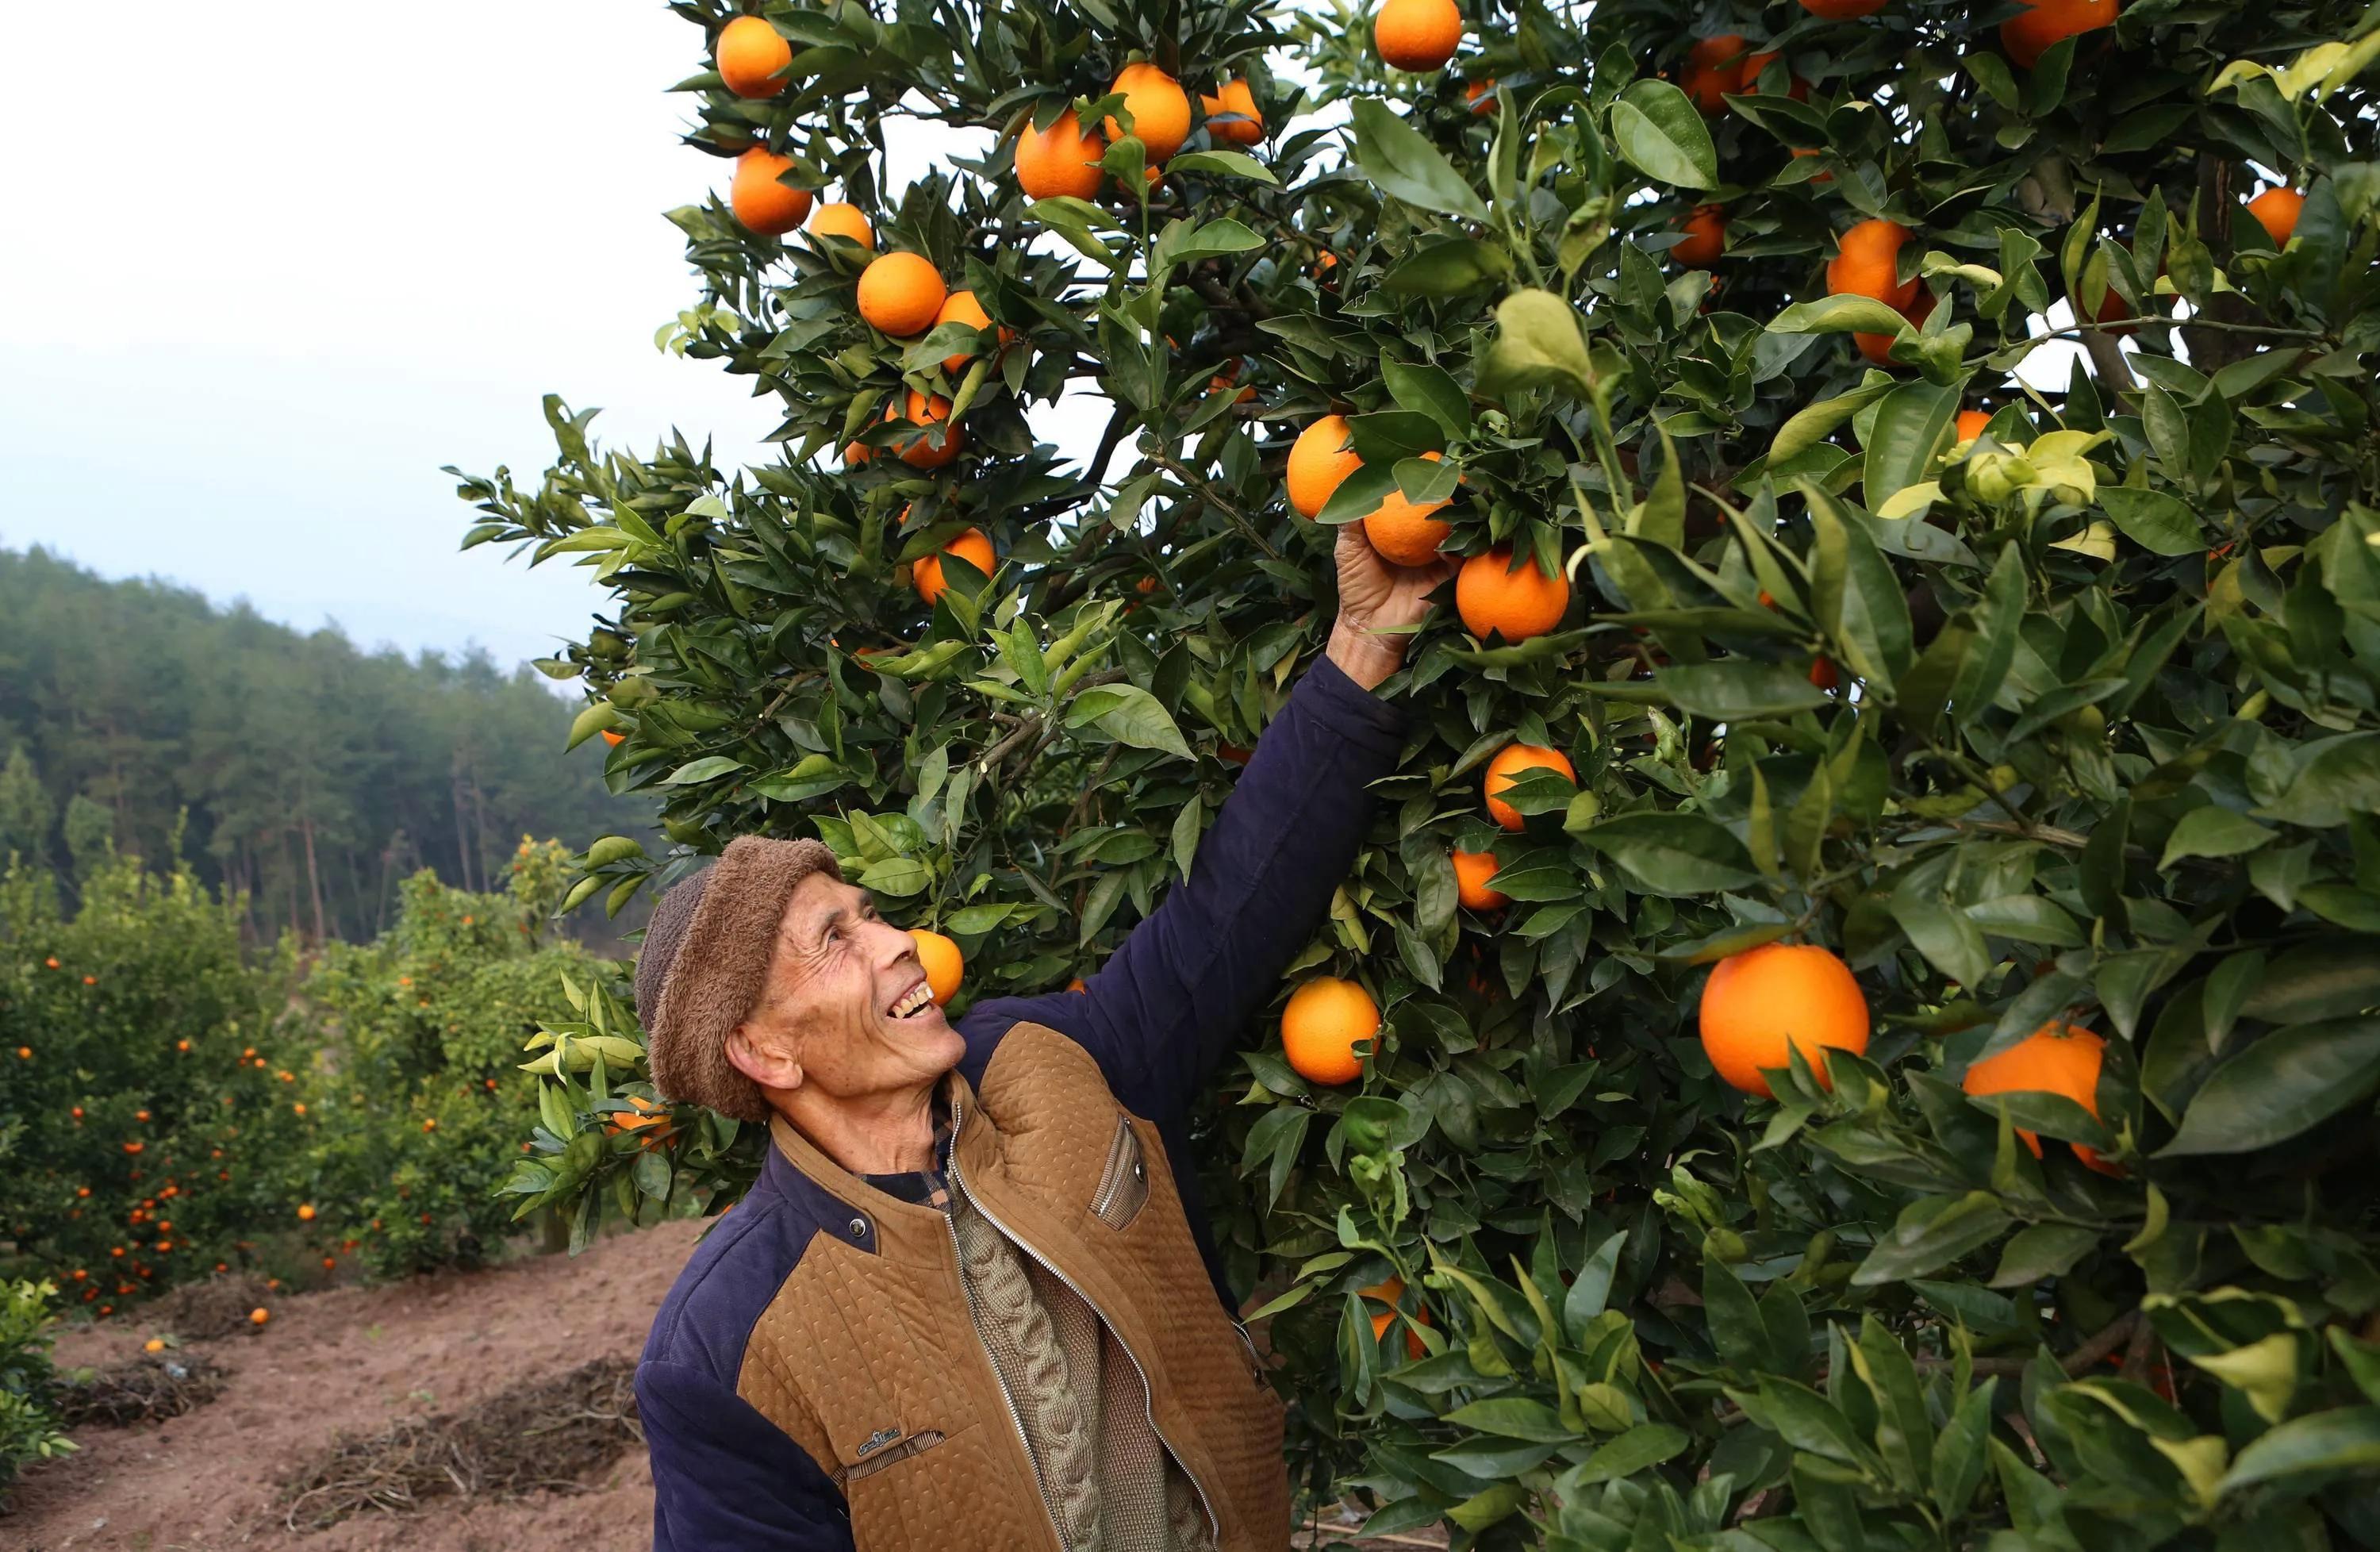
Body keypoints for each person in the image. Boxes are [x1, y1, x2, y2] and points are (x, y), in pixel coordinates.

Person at [631, 523, 1450, 1550]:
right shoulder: (730, 1349)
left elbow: (1231, 906)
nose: (899, 947)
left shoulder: (1055, 1063)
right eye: (835, 942)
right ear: (764, 1054)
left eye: (870, 912)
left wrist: (1365, 646)